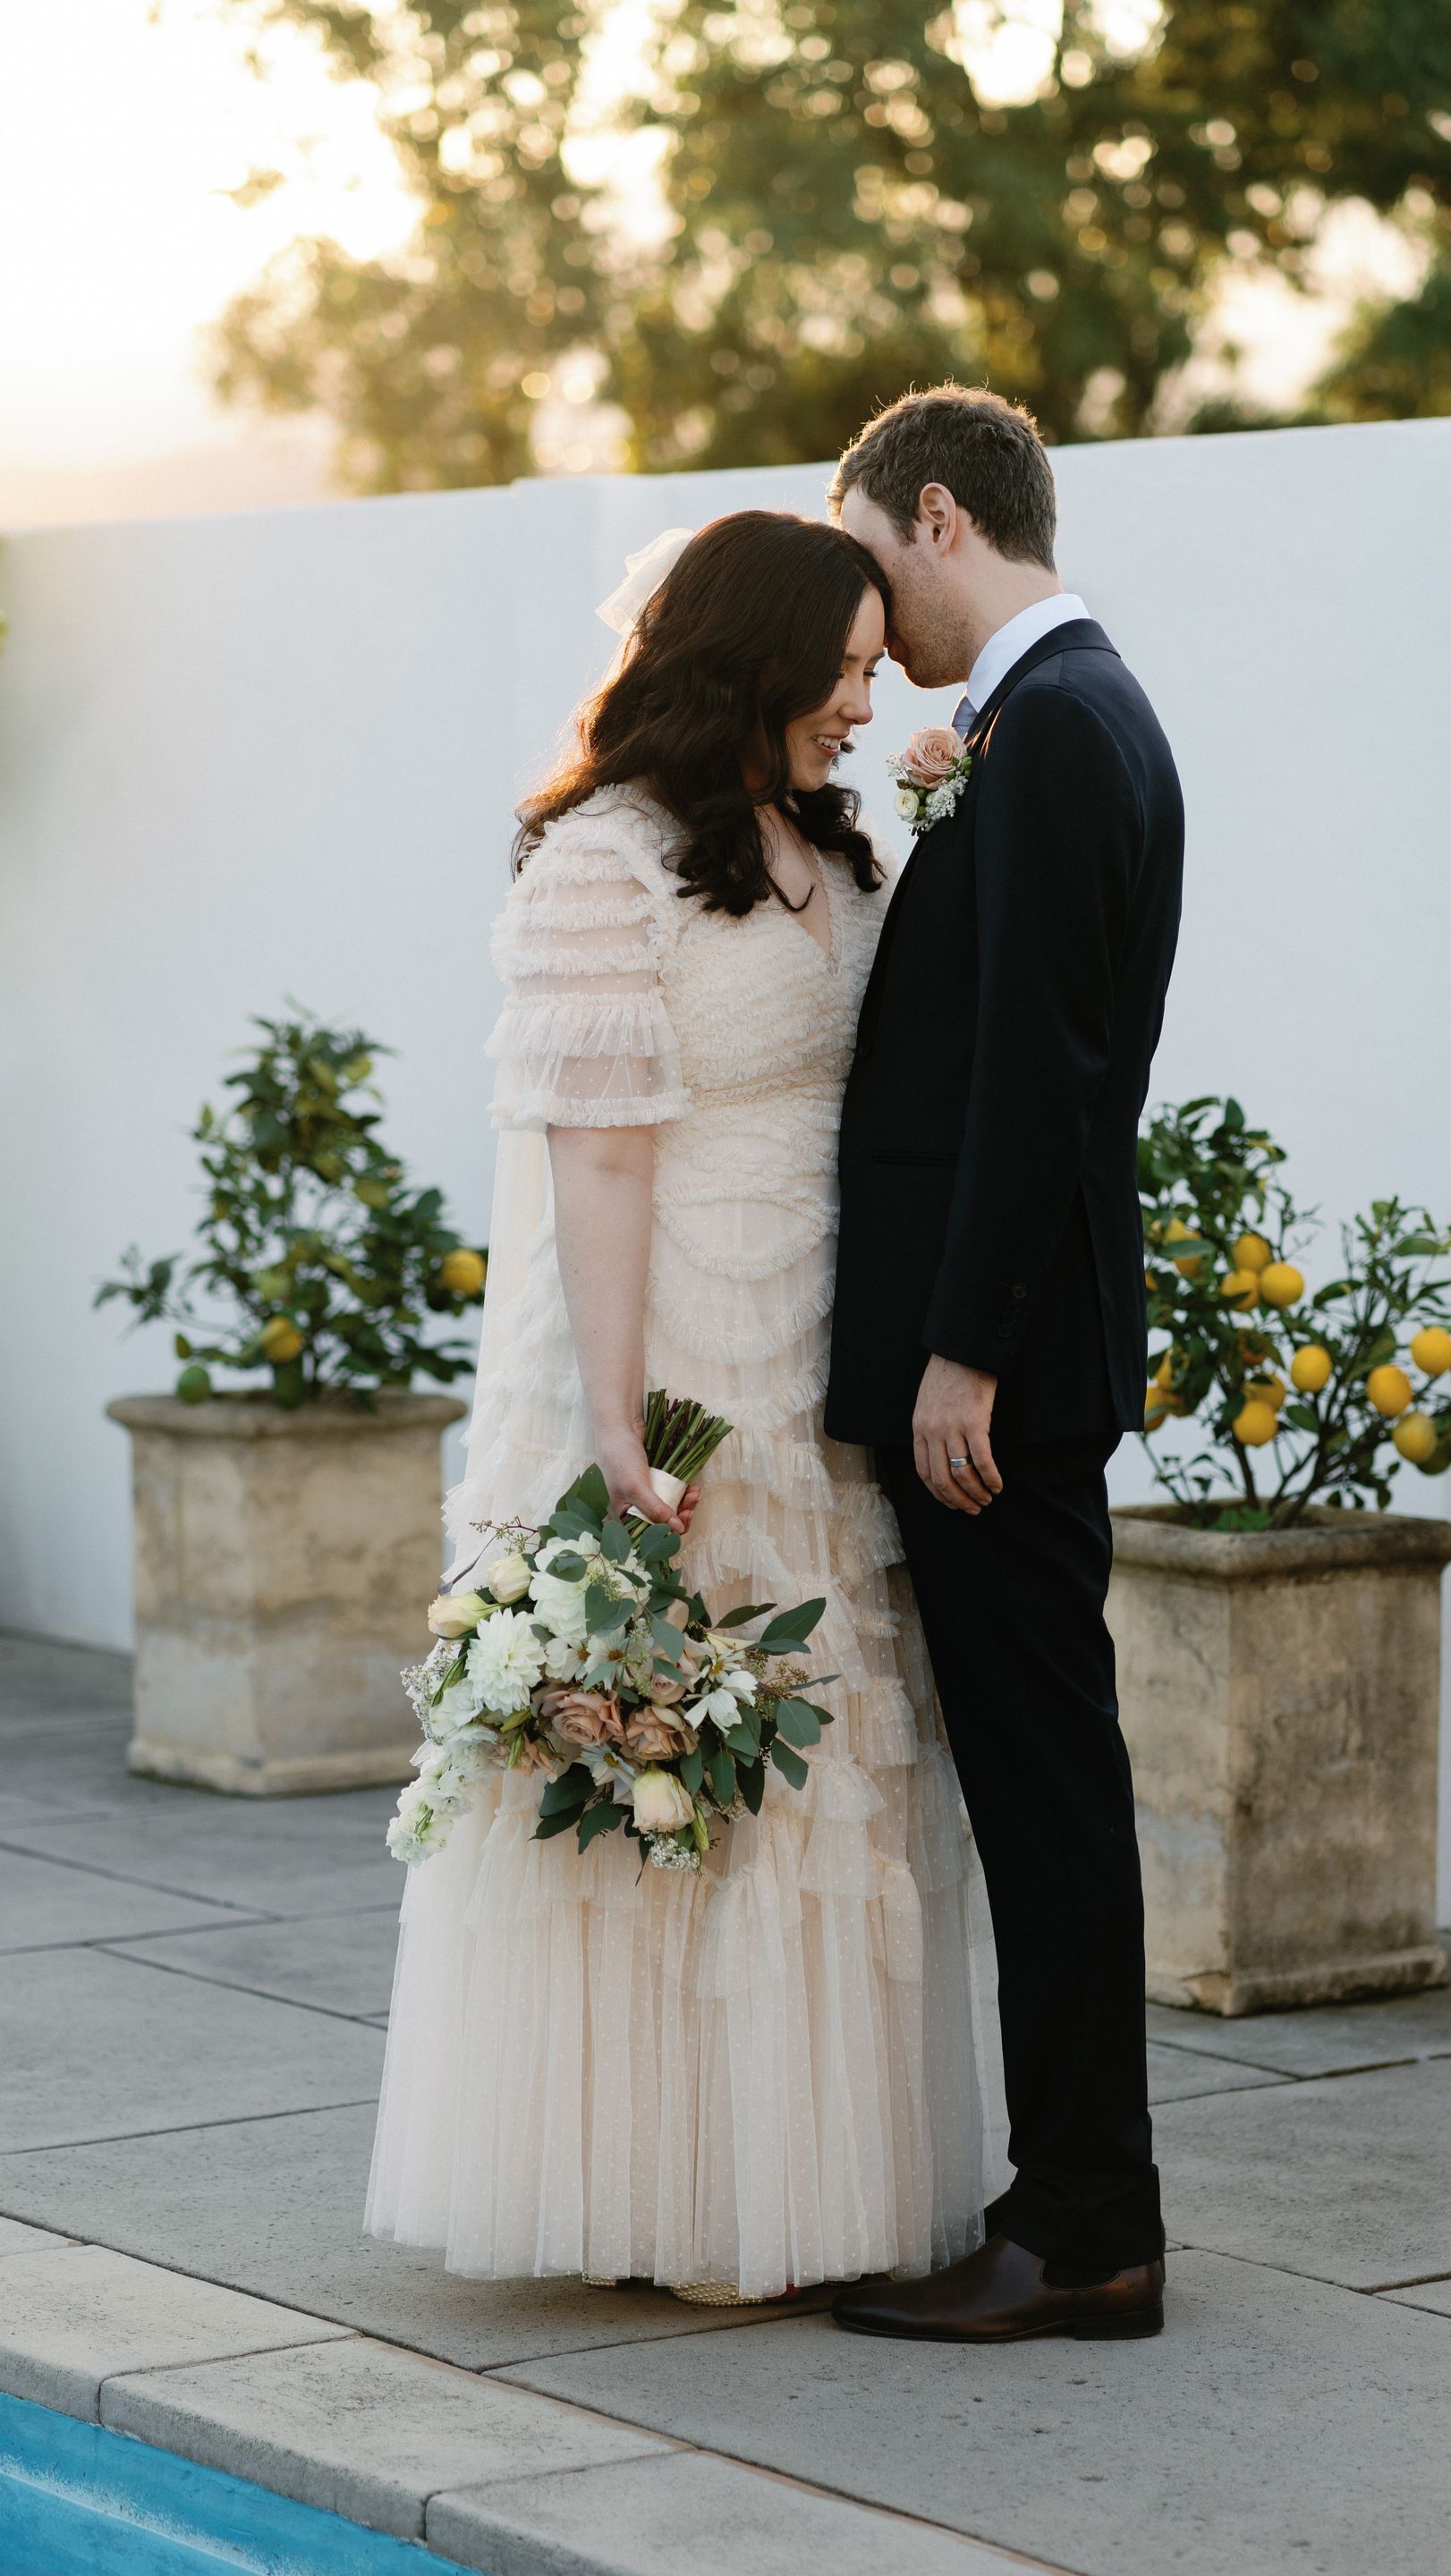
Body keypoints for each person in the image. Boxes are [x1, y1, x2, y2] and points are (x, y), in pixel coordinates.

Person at [366, 510, 988, 2301]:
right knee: (670, 1736)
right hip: (671, 1337)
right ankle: (652, 2186)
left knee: (823, 1758)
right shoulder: (600, 861)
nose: (869, 701)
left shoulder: (833, 838)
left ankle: (798, 2180)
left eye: (880, 668)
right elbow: (602, 1166)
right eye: (849, 668)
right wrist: (621, 1424)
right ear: (751, 655)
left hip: (825, 1336)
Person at [825, 386, 1184, 2342]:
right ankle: (1078, 2201)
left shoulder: (1052, 727)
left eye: (875, 569)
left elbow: (1044, 1078)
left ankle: (1086, 2232)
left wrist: (960, 1350)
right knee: (1049, 1784)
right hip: (1015, 1365)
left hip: (1002, 1383)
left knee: (1048, 1794)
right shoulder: (1070, 712)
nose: (870, 633)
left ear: (940, 517)